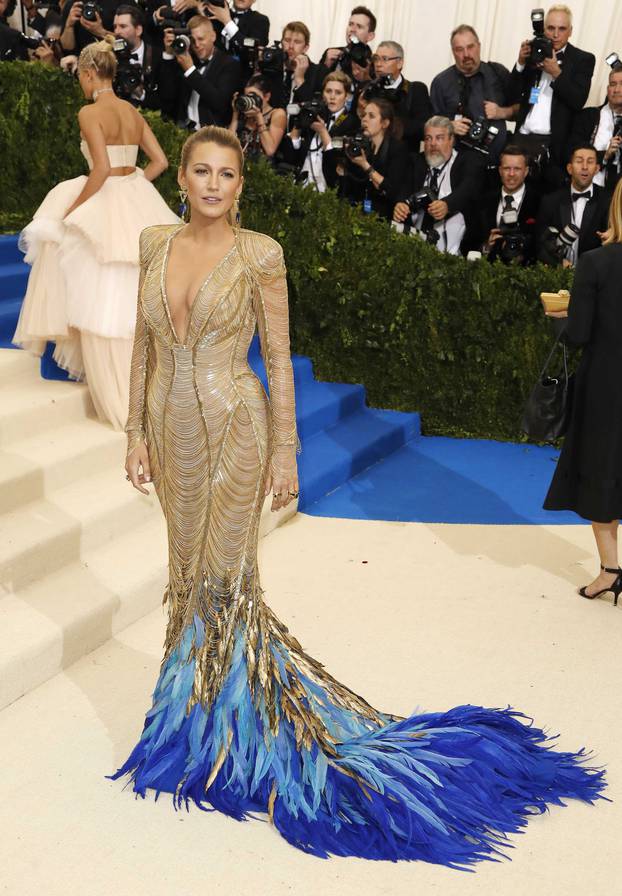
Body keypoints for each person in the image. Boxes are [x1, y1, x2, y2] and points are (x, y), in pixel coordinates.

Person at [109, 126, 605, 864]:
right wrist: (133, 433)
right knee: (185, 579)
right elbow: (143, 345)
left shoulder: (260, 254)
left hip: (237, 428)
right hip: (167, 429)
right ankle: (192, 724)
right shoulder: (153, 242)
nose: (213, 184)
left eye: (227, 174)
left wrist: (286, 450)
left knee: (224, 580)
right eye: (201, 171)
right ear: (181, 176)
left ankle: (221, 735)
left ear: (243, 184)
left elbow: (277, 360)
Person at [13, 38, 178, 430]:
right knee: (130, 286)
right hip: (136, 197)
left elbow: (100, 168)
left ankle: (118, 391)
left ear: (89, 74)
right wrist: (135, 183)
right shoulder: (132, 112)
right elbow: (161, 161)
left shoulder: (89, 112)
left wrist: (75, 208)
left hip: (103, 193)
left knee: (88, 272)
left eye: (80, 78)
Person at [543, 177, 622, 606]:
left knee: (601, 471)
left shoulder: (595, 263)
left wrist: (562, 312)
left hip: (607, 386)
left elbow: (577, 334)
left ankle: (610, 572)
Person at [511, 4, 595, 190]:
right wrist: (520, 63)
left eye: (562, 29)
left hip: (553, 147)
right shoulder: (535, 52)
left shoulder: (583, 59)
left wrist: (557, 73)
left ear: (570, 31)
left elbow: (578, 100)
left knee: (544, 206)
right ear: (544, 29)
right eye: (551, 28)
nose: (555, 34)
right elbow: (511, 94)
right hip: (522, 139)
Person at [393, 116, 482, 255]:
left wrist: (447, 204)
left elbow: (468, 188)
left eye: (439, 138)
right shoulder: (416, 161)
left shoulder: (467, 160)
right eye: (428, 138)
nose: (433, 143)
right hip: (415, 242)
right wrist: (401, 204)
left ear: (451, 140)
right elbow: (403, 189)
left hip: (454, 248)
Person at [430, 25, 515, 164]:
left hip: (494, 162)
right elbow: (430, 126)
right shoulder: (441, 82)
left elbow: (521, 111)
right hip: (454, 164)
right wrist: (448, 126)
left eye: (470, 47)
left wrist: (502, 112)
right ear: (453, 52)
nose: (466, 54)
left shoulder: (498, 73)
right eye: (459, 49)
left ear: (479, 46)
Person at [159, 14, 241, 129]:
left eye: (201, 39)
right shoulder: (184, 58)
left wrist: (190, 71)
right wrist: (168, 54)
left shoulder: (229, 64)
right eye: (192, 40)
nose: (197, 45)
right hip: (183, 133)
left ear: (213, 36)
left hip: (212, 135)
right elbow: (167, 96)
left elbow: (220, 102)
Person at [282, 71, 359, 192]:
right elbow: (289, 157)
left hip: (328, 191)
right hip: (300, 187)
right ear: (322, 94)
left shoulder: (352, 123)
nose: (332, 97)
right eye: (328, 91)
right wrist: (298, 125)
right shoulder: (312, 114)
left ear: (347, 96)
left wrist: (323, 132)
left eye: (338, 93)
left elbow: (336, 165)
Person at [536, 144, 610, 266]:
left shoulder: (608, 201)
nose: (585, 167)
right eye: (579, 161)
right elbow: (539, 243)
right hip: (556, 275)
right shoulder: (550, 201)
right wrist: (558, 263)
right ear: (569, 168)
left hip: (594, 276)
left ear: (597, 169)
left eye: (590, 162)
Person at [337, 97, 410, 219]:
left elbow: (391, 189)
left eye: (371, 116)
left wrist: (365, 165)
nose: (364, 119)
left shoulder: (397, 149)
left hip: (383, 216)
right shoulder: (360, 146)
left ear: (385, 123)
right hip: (356, 212)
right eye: (364, 115)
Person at [472, 145, 540, 264]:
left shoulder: (540, 203)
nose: (511, 174)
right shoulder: (483, 201)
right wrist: (487, 247)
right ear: (500, 171)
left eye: (517, 169)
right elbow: (469, 243)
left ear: (526, 171)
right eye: (507, 168)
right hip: (487, 273)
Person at [369, 40, 432, 151]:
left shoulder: (415, 89)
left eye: (385, 59)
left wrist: (387, 125)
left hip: (403, 159)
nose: (378, 64)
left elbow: (424, 128)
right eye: (376, 59)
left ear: (399, 63)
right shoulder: (369, 90)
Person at [570, 65, 622, 194]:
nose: (617, 89)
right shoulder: (588, 116)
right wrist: (605, 155)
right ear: (607, 89)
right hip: (591, 192)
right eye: (613, 84)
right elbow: (572, 152)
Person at [113, 4, 161, 110]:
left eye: (123, 26)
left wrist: (140, 93)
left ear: (138, 30)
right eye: (115, 27)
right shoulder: (109, 56)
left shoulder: (157, 55)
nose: (117, 32)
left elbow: (166, 101)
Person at [228, 74, 286, 160]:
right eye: (247, 95)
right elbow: (228, 144)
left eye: (253, 95)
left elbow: (270, 150)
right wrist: (235, 112)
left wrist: (259, 117)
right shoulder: (245, 112)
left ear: (267, 97)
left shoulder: (277, 114)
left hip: (262, 169)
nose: (249, 99)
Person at [320, 5, 376, 72]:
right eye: (350, 24)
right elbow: (316, 81)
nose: (352, 29)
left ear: (370, 36)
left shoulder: (373, 63)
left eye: (359, 26)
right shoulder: (330, 53)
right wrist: (326, 65)